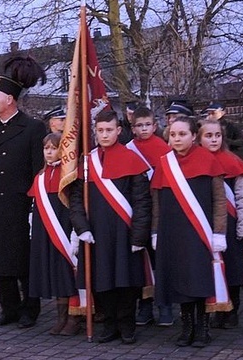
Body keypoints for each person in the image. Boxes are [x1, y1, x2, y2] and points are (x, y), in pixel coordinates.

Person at [0, 55, 47, 328]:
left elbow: (37, 170)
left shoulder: (32, 128)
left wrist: (34, 207)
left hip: (19, 205)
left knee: (22, 260)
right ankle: (8, 308)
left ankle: (30, 308)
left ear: (9, 99)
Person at [69, 110, 151, 344]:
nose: (104, 135)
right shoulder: (87, 163)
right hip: (96, 233)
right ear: (95, 132)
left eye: (109, 130)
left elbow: (142, 201)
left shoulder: (132, 160)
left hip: (124, 232)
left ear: (118, 131)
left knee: (126, 281)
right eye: (100, 130)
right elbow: (76, 200)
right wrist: (81, 227)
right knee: (100, 280)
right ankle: (109, 324)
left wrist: (139, 236)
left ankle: (127, 325)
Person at [152, 116, 227, 347]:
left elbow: (219, 200)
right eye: (173, 134)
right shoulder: (164, 163)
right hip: (172, 232)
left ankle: (202, 328)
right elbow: (156, 201)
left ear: (194, 136)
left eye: (182, 134)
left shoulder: (208, 160)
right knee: (180, 279)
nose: (177, 138)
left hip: (199, 232)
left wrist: (219, 232)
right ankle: (186, 327)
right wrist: (155, 231)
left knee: (199, 279)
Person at [197, 119, 243, 329]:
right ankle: (216, 308)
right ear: (199, 138)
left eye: (217, 136)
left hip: (231, 225)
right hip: (205, 224)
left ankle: (232, 310)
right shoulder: (196, 161)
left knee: (232, 270)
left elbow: (242, 198)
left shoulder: (231, 161)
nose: (213, 140)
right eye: (208, 136)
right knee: (211, 269)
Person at [125, 105, 174, 327]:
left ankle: (165, 306)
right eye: (139, 125)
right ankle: (144, 306)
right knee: (140, 262)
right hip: (136, 212)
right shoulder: (128, 149)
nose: (144, 129)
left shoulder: (165, 150)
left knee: (160, 260)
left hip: (159, 212)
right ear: (132, 128)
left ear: (155, 126)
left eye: (147, 125)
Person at [28, 132, 81, 335]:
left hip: (64, 228)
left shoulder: (68, 175)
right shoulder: (40, 177)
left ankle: (73, 318)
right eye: (46, 148)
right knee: (56, 273)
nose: (49, 152)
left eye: (53, 148)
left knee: (67, 271)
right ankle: (61, 317)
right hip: (45, 230)